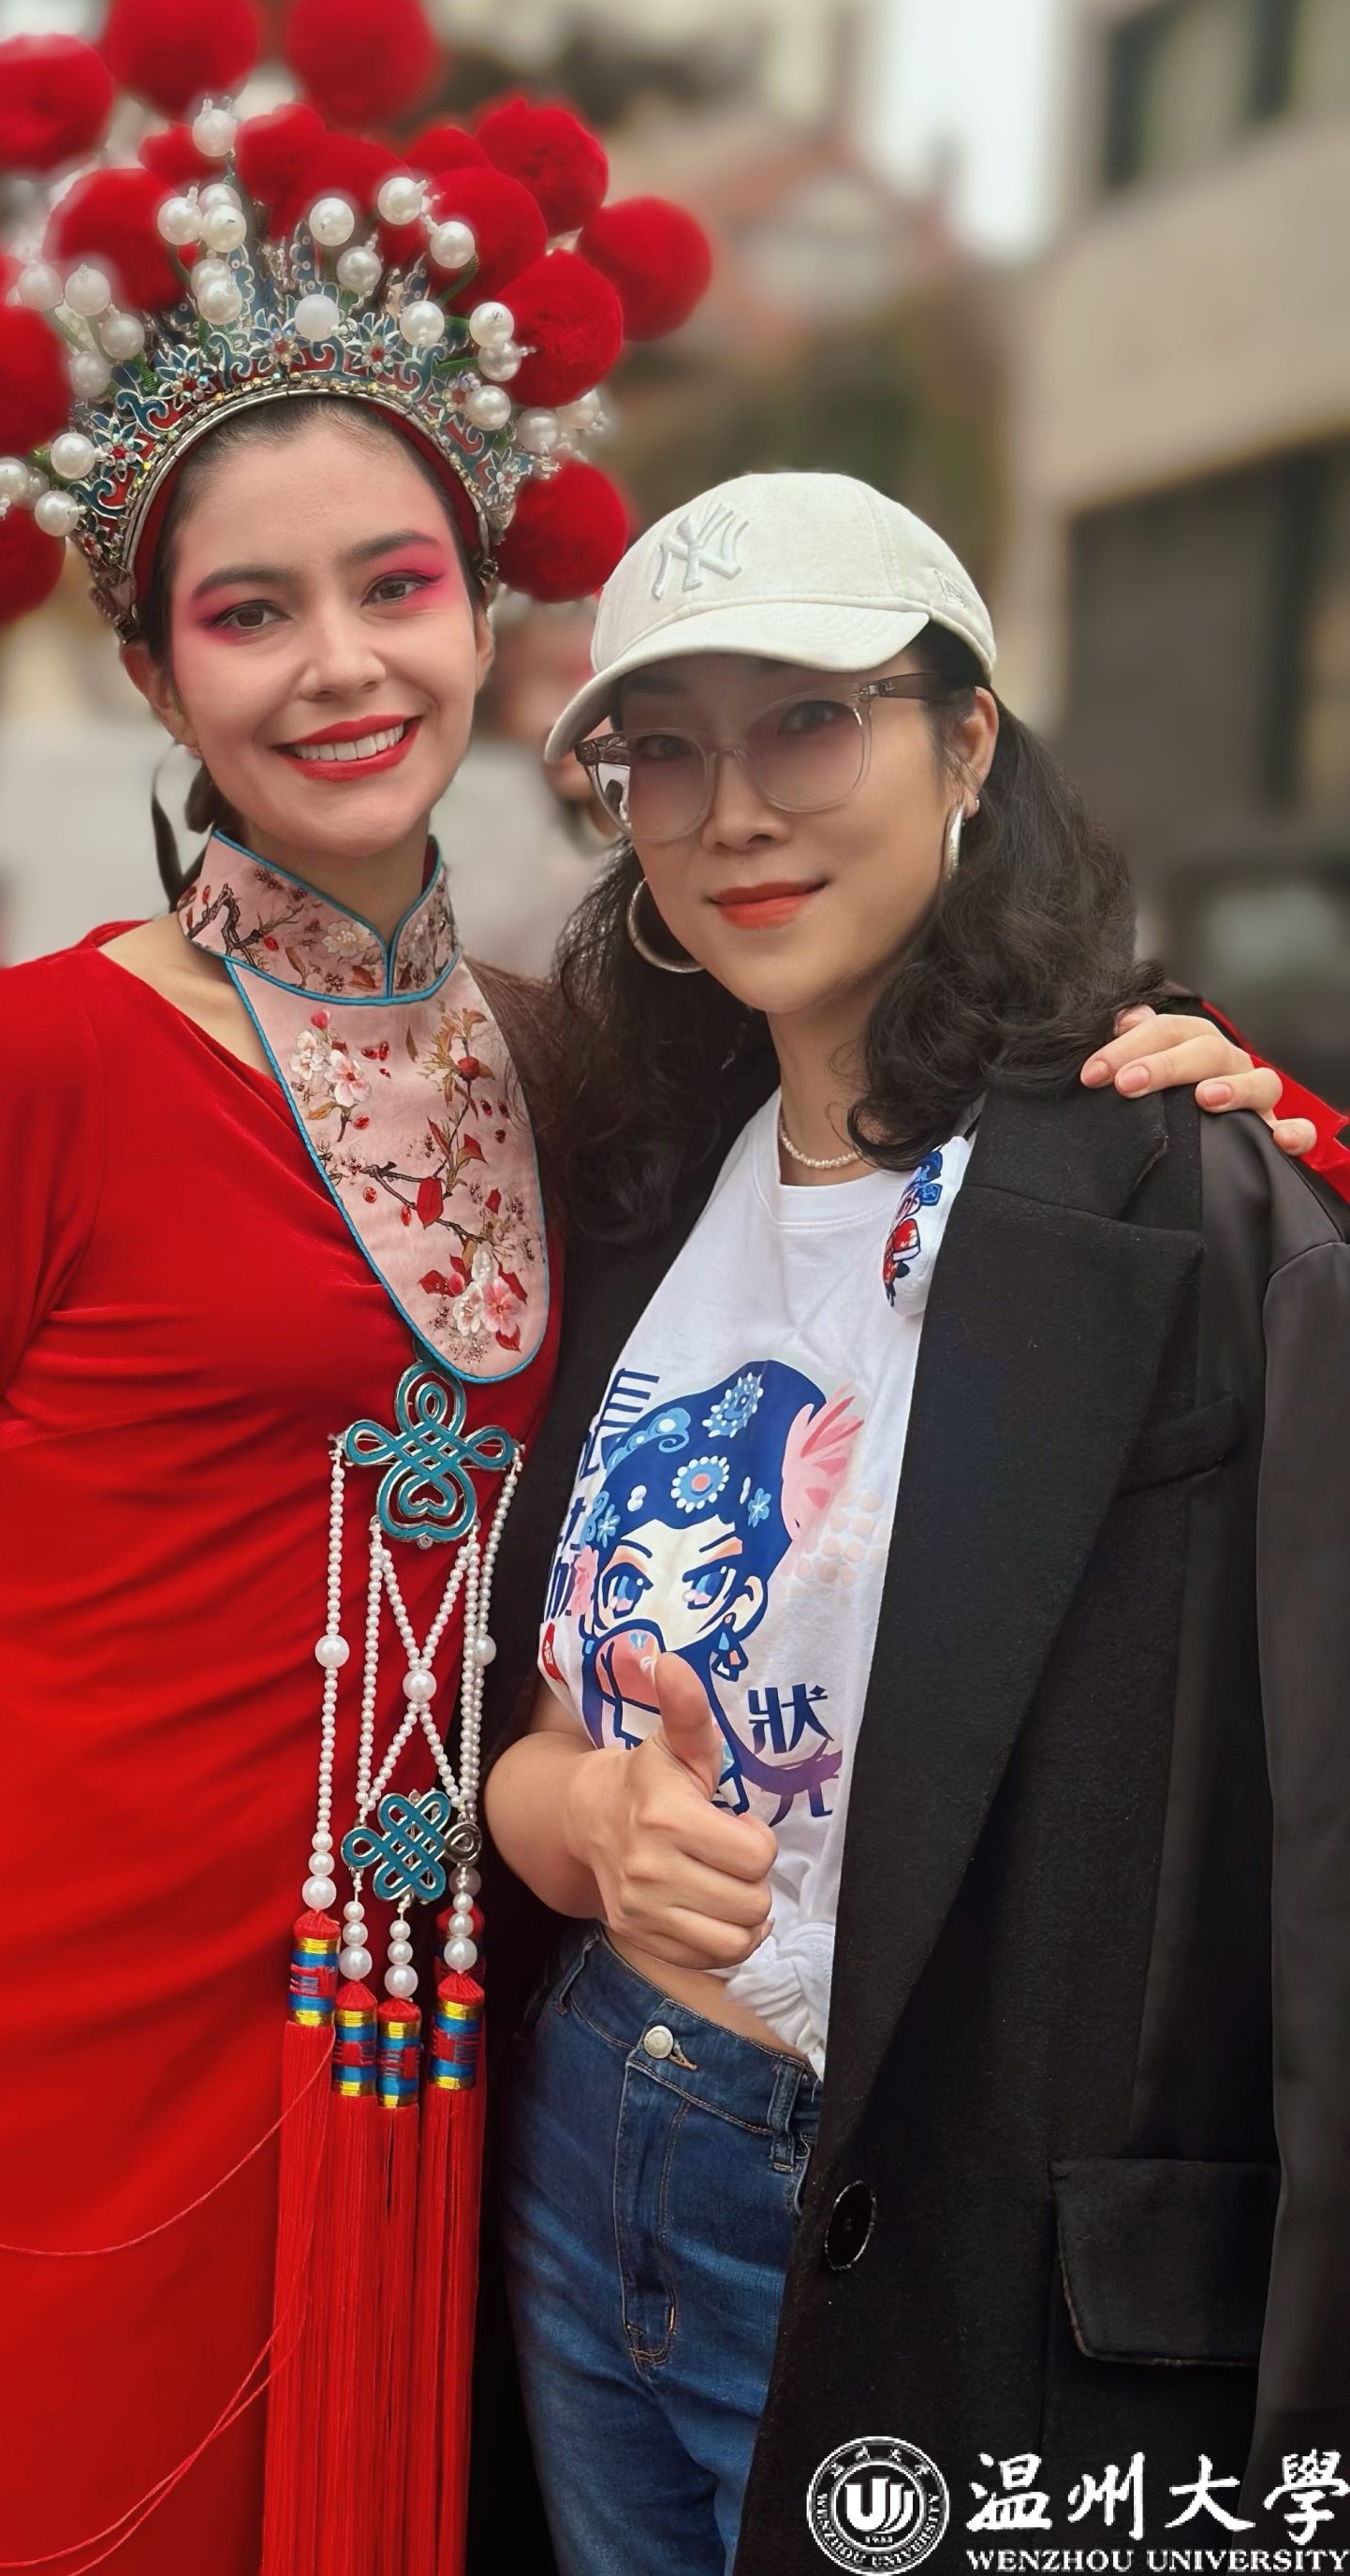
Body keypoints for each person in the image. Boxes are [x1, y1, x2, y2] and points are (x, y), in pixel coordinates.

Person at [0, 0, 1307, 2576]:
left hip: (393, 2074)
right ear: (150, 668)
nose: (338, 666)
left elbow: (895, 1180)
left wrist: (1239, 1109)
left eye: (391, 583)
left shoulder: (589, 1072)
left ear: (489, 616)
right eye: (247, 612)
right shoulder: (50, 1052)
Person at [481, 472, 1350, 2576]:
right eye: (662, 752)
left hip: (950, 2245)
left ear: (965, 741)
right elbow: (531, 1723)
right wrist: (582, 1822)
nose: (731, 813)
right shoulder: (628, 1182)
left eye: (807, 722)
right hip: (593, 2159)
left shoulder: (1165, 1194)